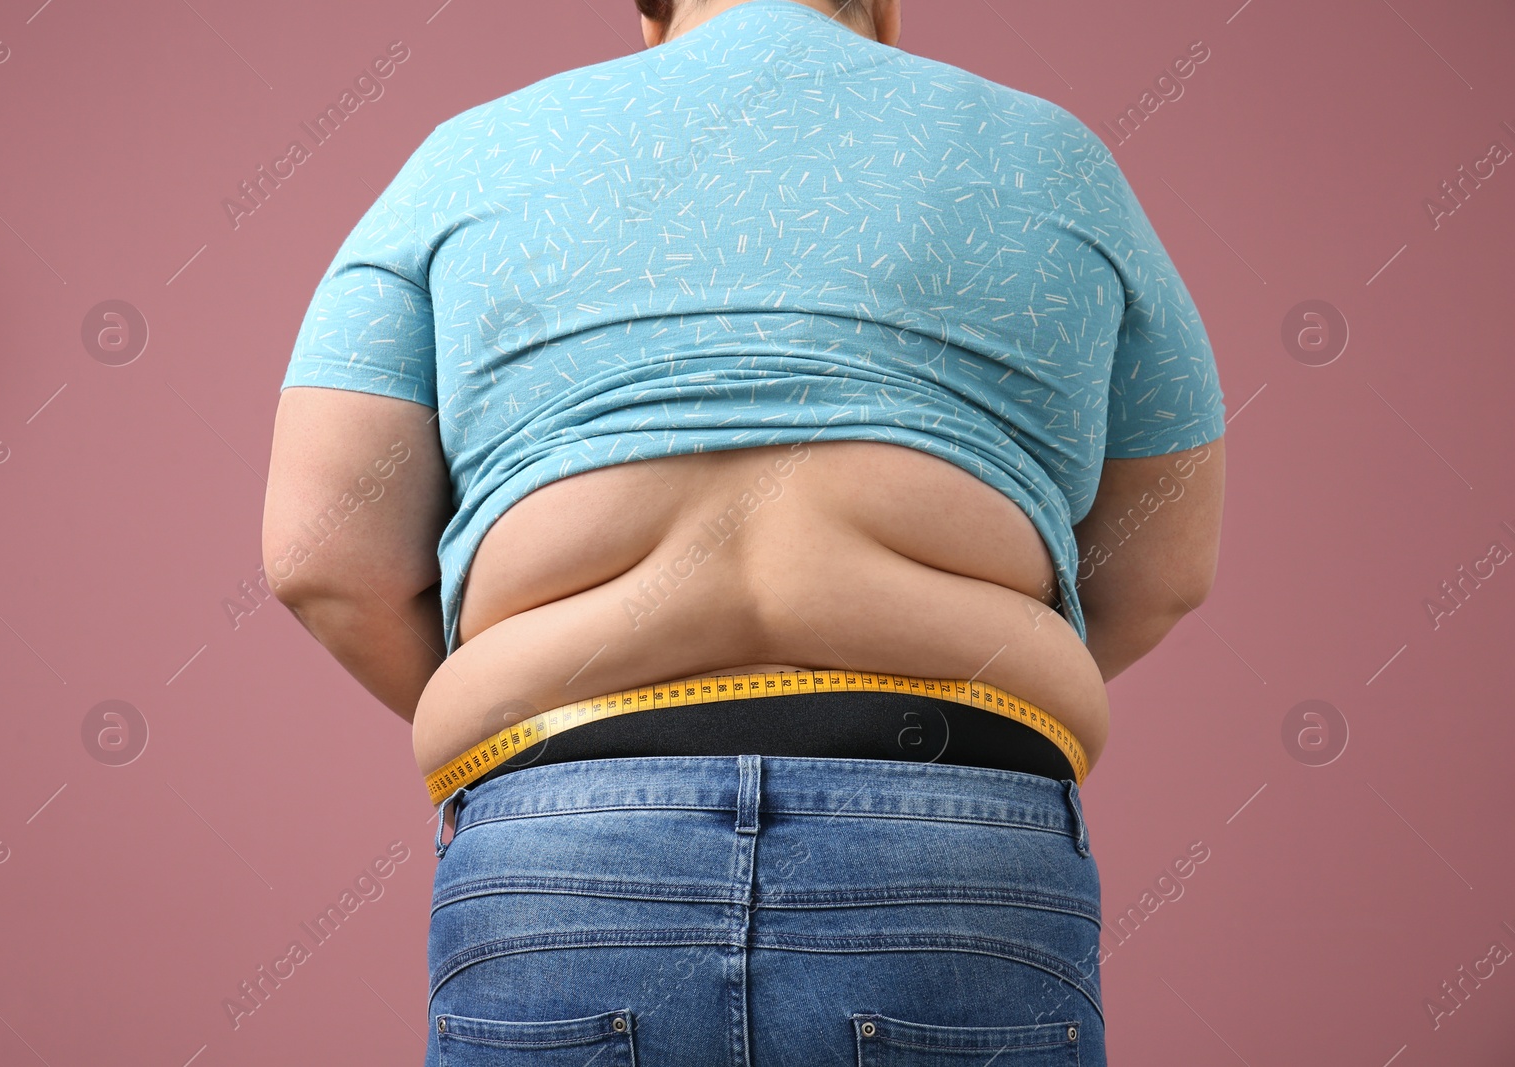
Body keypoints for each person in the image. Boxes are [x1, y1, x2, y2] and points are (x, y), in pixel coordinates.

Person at [262, 0, 1227, 1062]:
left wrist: (556, 703)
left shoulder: (465, 158)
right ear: (885, 7)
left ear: (644, 9)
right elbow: (1163, 566)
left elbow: (323, 561)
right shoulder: (1053, 158)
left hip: (563, 831)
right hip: (952, 830)